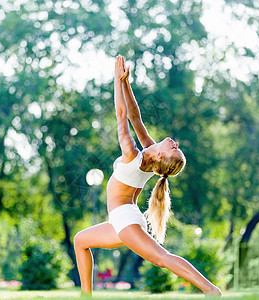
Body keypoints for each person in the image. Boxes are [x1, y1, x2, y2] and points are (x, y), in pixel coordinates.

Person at [74, 55, 222, 296]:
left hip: (125, 220)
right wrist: (126, 83)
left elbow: (122, 116)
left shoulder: (133, 154)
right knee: (81, 241)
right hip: (122, 219)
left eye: (174, 148)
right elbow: (135, 116)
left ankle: (211, 290)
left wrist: (115, 81)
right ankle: (85, 296)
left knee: (162, 258)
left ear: (161, 156)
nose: (174, 142)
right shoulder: (148, 153)